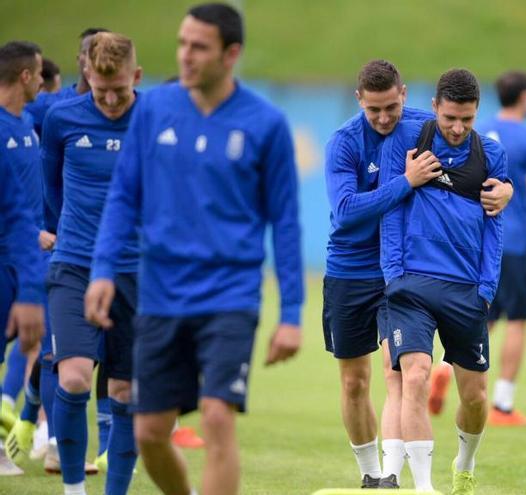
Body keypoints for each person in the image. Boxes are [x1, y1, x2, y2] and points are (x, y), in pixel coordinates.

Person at [84, 4, 304, 494]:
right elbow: (124, 195)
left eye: (198, 46)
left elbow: (286, 223)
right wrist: (102, 270)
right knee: (149, 433)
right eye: (182, 43)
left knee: (217, 416)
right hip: (160, 295)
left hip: (230, 295)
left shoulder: (265, 123)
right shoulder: (155, 110)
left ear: (231, 54)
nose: (185, 55)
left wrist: (291, 313)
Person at [323, 59, 512, 489]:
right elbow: (346, 211)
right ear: (359, 102)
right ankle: (371, 473)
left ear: (405, 96)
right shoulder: (344, 143)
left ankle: (388, 478)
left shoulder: (426, 125)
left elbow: (475, 146)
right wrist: (406, 182)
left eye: (391, 107)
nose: (385, 118)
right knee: (355, 382)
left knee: (402, 377)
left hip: (406, 277)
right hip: (352, 270)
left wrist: (508, 188)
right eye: (375, 111)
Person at [380, 68, 508, 494]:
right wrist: (394, 274)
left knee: (473, 397)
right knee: (414, 375)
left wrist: (486, 289)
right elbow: (393, 207)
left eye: (467, 120)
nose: (457, 128)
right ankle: (423, 488)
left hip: (466, 291)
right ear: (434, 107)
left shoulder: (490, 155)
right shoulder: (409, 141)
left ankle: (464, 463)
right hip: (411, 285)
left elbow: (495, 227)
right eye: (450, 117)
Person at [428, 70, 526, 426]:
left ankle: (445, 368)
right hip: (516, 241)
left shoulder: (473, 133)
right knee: (518, 322)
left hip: (476, 243)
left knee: (482, 321)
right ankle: (503, 405)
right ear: (525, 97)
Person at [32, 31, 143, 495]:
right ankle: (74, 490)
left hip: (138, 271)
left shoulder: (156, 119)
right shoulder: (62, 119)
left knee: (126, 393)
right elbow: (51, 186)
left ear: (136, 76)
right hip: (75, 263)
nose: (112, 100)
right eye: (101, 91)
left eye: (120, 90)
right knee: (74, 377)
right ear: (87, 77)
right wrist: (68, 232)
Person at [0, 39, 47, 476]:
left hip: (25, 260)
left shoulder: (28, 122)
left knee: (35, 339)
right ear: (25, 76)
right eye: (39, 73)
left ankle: (26, 423)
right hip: (9, 257)